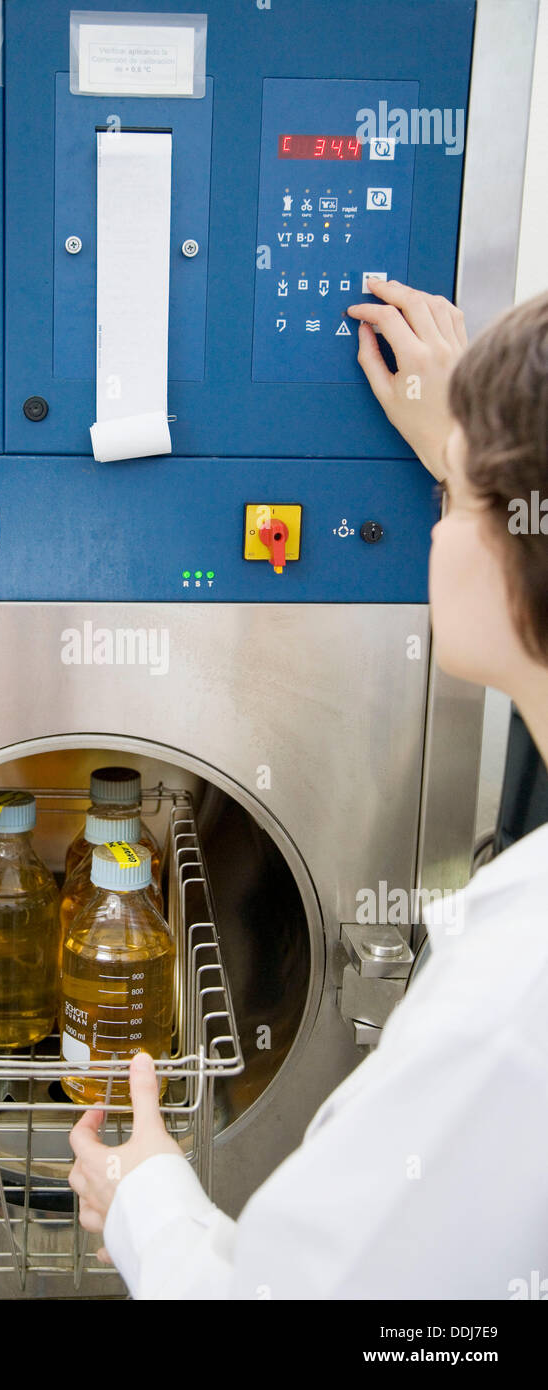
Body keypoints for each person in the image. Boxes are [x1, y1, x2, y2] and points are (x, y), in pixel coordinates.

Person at [67, 280, 548, 1299]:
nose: (431, 530)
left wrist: (146, 1198)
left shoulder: (512, 1003)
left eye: (455, 498)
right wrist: (465, 436)